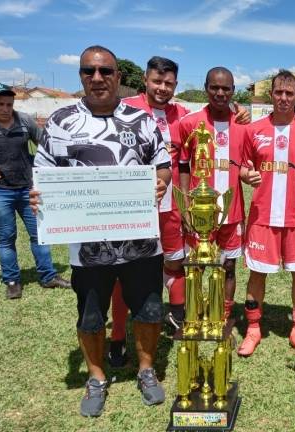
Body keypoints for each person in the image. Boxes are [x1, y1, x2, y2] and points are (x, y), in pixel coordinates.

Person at [30, 45, 171, 417]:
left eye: (105, 71)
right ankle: (96, 376)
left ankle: (145, 369)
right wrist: (38, 198)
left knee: (150, 310)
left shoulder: (142, 121)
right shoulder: (61, 121)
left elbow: (162, 164)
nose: (97, 78)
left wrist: (159, 182)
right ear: (80, 76)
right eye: (88, 72)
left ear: (118, 77)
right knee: (91, 315)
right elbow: (43, 176)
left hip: (140, 241)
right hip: (88, 245)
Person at [106, 56, 190, 368]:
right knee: (122, 271)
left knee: (175, 264)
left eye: (168, 83)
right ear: (145, 79)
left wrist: (239, 112)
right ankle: (117, 337)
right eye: (157, 81)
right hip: (130, 209)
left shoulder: (182, 113)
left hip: (170, 208)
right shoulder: (123, 108)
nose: (162, 88)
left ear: (175, 85)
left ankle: (179, 321)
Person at [237, 70, 295, 357]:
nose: (284, 98)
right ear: (271, 95)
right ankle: (253, 328)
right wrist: (246, 175)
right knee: (257, 273)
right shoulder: (254, 130)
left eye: (289, 94)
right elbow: (242, 166)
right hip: (263, 216)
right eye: (279, 92)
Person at [0, 83, 70, 299]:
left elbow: (45, 144)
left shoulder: (24, 121)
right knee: (6, 237)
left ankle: (48, 276)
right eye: (0, 104)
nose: (5, 108)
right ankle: (12, 280)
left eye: (9, 104)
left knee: (39, 235)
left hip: (28, 190)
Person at [178, 66, 247, 325]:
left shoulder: (242, 126)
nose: (220, 93)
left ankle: (223, 312)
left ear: (233, 91)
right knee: (196, 265)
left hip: (231, 211)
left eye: (226, 88)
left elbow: (249, 164)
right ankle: (195, 311)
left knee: (228, 266)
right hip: (199, 211)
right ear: (206, 88)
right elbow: (183, 166)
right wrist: (186, 205)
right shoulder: (189, 123)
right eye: (214, 87)